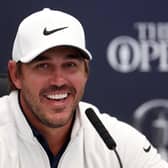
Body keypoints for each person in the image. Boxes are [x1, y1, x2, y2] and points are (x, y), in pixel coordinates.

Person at [0, 8, 167, 168]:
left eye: (70, 65)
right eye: (43, 66)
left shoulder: (116, 144)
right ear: (16, 75)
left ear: (86, 71)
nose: (58, 81)